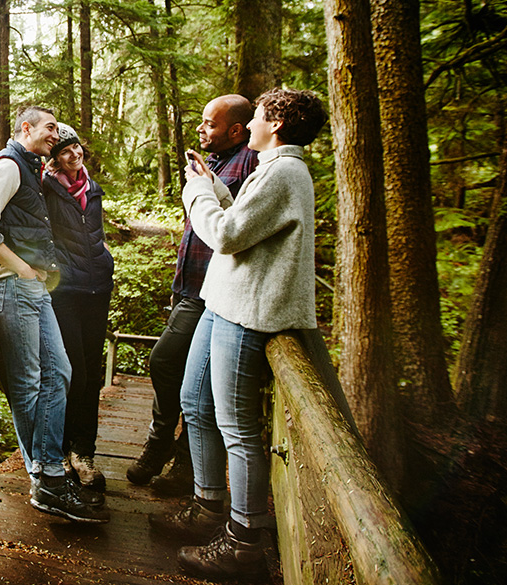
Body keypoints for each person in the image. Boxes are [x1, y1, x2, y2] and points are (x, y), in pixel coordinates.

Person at [152, 87, 326, 579]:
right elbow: (244, 222)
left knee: (237, 428)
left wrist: (196, 193)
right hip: (222, 300)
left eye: (260, 117)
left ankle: (242, 540)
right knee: (194, 401)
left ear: (277, 125)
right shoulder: (271, 169)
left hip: (248, 312)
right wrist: (216, 188)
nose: (249, 125)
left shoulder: (286, 171)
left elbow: (226, 235)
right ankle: (207, 507)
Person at [0, 105, 109, 523]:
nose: (55, 134)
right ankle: (46, 479)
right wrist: (21, 268)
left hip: (32, 286)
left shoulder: (31, 168)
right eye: (49, 128)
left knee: (59, 372)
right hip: (10, 284)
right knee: (28, 381)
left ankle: (49, 473)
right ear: (25, 128)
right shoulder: (9, 165)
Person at [126, 95, 261, 496]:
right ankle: (174, 453)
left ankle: (174, 450)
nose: (202, 130)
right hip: (189, 285)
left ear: (235, 129)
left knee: (166, 362)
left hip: (213, 292)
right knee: (181, 371)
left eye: (210, 124)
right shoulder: (216, 162)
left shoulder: (250, 164)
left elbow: (233, 227)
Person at [39, 123, 116, 494]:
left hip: (97, 288)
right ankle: (62, 452)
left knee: (93, 370)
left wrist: (105, 262)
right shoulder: (45, 187)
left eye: (77, 148)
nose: (75, 155)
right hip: (65, 290)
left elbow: (95, 234)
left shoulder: (92, 188)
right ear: (54, 158)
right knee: (75, 373)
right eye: (66, 151)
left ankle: (84, 453)